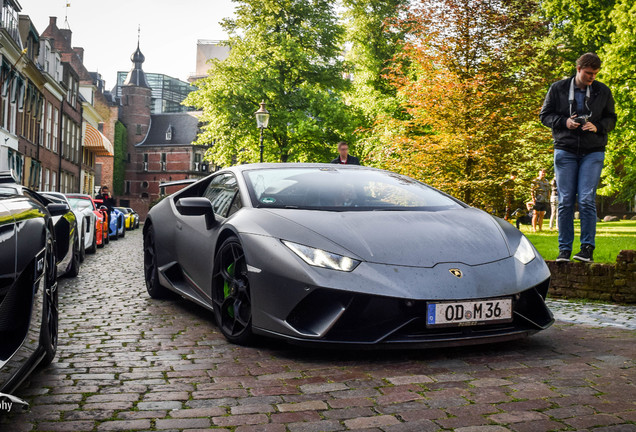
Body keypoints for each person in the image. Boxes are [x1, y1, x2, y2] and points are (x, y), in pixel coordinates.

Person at [540, 52, 616, 262]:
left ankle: (587, 250)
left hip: (593, 151)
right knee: (564, 200)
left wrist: (598, 126)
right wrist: (565, 122)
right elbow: (544, 116)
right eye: (588, 73)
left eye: (595, 74)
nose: (592, 77)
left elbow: (612, 118)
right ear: (578, 69)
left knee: (586, 199)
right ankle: (564, 250)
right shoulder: (558, 88)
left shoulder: (602, 91)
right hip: (565, 149)